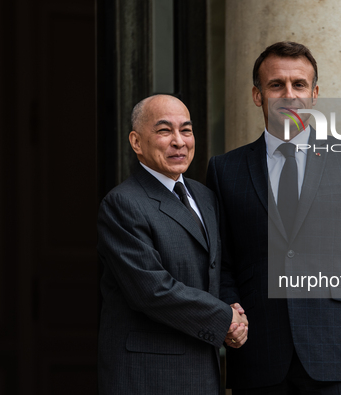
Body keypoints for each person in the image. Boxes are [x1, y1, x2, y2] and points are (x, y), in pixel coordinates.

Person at [207, 41, 341, 395]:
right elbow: (221, 260)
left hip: (338, 354)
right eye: (276, 84)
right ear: (257, 95)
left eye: (299, 84)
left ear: (314, 94)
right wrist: (230, 308)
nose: (288, 95)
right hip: (258, 355)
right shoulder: (225, 169)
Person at [97, 94, 248, 394]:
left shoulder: (204, 197)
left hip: (203, 371)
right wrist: (225, 318)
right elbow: (152, 290)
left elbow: (215, 271)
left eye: (186, 130)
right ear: (136, 142)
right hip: (148, 376)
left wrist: (234, 313)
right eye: (165, 131)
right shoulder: (122, 203)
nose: (179, 141)